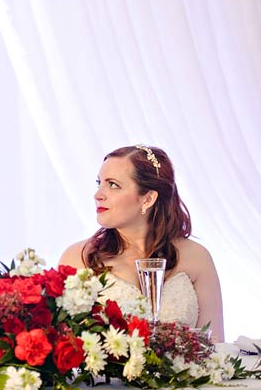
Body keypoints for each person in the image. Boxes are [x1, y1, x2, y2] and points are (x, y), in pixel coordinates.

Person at [58, 144, 225, 342]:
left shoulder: (197, 258)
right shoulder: (78, 258)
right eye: (99, 183)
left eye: (113, 185)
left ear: (148, 199)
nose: (98, 195)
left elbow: (215, 348)